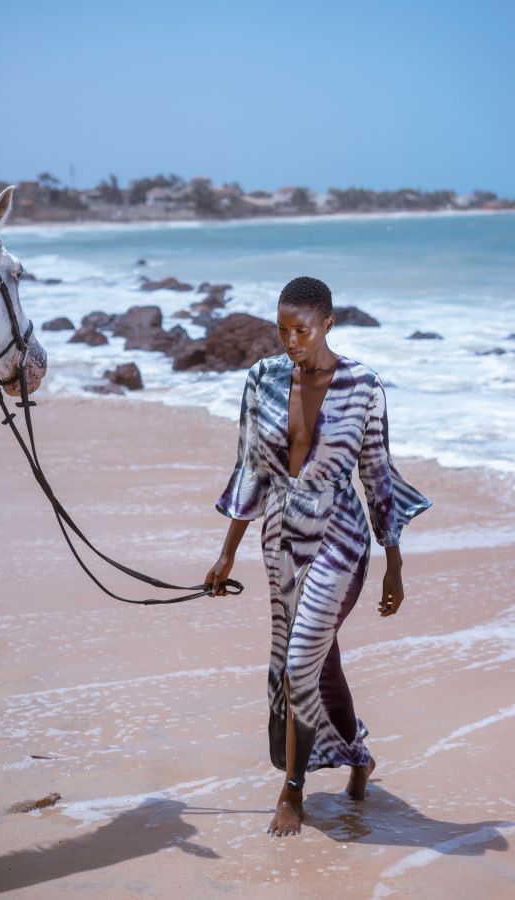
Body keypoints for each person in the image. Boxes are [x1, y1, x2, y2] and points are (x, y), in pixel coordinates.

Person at [205, 276, 432, 837]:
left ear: (328, 324)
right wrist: (227, 553)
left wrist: (395, 563)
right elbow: (250, 469)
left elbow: (376, 475)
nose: (290, 342)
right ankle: (358, 755)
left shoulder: (363, 386)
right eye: (282, 330)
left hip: (341, 536)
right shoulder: (262, 379)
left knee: (302, 658)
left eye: (301, 331)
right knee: (311, 660)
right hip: (280, 535)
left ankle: (293, 789)